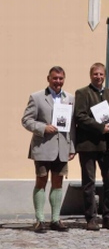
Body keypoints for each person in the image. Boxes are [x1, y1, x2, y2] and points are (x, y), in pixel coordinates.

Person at [22, 66, 76, 233]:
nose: (58, 81)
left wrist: (72, 146)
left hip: (62, 147)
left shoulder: (70, 98)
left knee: (58, 182)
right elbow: (26, 120)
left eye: (60, 78)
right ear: (48, 78)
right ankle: (39, 220)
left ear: (64, 79)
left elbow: (73, 125)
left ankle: (55, 219)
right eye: (55, 78)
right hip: (43, 146)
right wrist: (43, 127)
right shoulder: (37, 97)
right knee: (42, 180)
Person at [74, 63, 109, 231]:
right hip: (88, 145)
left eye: (101, 74)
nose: (98, 77)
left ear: (105, 75)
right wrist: (100, 127)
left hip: (108, 145)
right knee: (89, 183)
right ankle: (91, 218)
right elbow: (79, 116)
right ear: (90, 75)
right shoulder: (82, 93)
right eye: (95, 74)